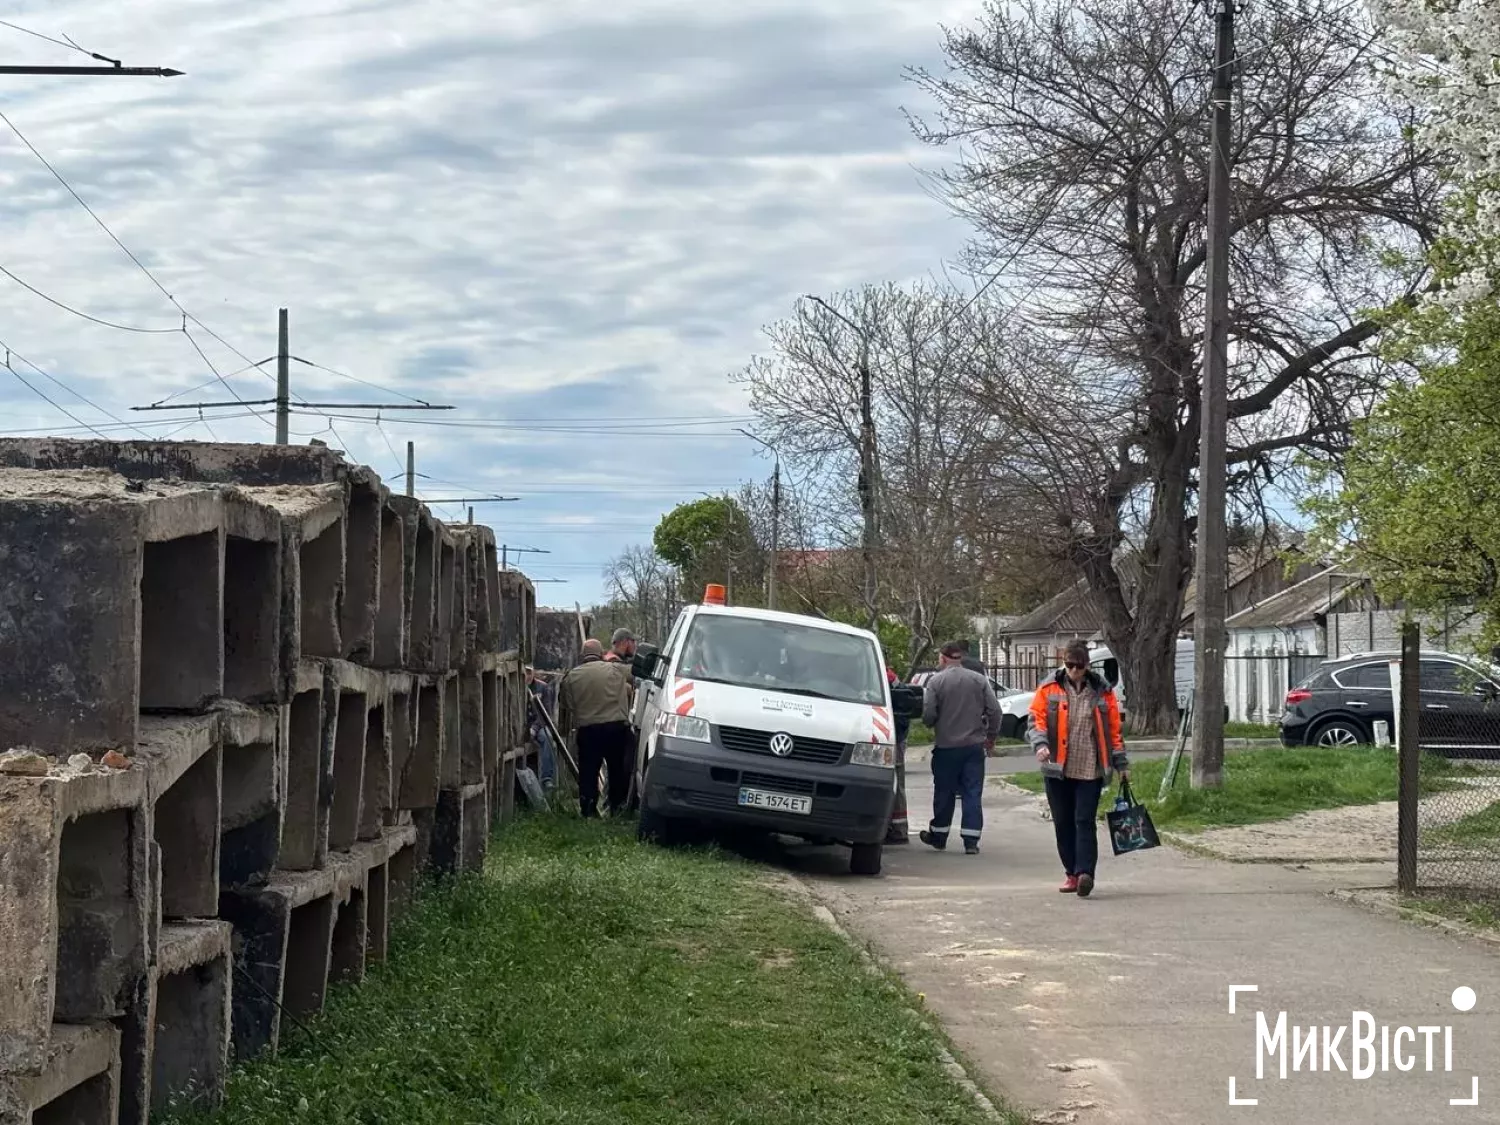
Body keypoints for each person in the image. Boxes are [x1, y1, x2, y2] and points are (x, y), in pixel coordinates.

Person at [1028, 638, 1129, 898]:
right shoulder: (1049, 688)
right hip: (1057, 767)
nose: (1074, 670)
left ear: (1087, 666)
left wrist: (1121, 763)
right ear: (1064, 663)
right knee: (1063, 823)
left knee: (1084, 820)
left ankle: (1085, 873)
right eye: (1069, 664)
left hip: (1090, 767)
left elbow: (1113, 731)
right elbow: (1036, 720)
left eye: (1079, 665)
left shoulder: (1102, 691)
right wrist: (1040, 744)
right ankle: (1071, 873)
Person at [919, 641, 1001, 855]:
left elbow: (929, 714)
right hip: (974, 746)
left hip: (946, 747)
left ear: (943, 658)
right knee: (972, 792)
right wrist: (991, 737)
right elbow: (995, 711)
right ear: (960, 658)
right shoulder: (978, 680)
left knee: (944, 792)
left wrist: (931, 723)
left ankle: (939, 836)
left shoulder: (936, 681)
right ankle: (971, 841)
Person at [558, 638, 634, 817]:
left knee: (588, 771)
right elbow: (635, 676)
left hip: (588, 730)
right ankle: (616, 807)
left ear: (582, 655)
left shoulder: (571, 677)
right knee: (616, 769)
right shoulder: (616, 669)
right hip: (616, 728)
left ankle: (588, 809)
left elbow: (566, 703)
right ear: (601, 653)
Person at [885, 667, 910, 845]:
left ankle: (898, 830)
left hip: (893, 736)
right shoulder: (890, 677)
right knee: (895, 782)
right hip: (893, 734)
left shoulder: (886, 677)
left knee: (895, 781)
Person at [525, 665, 557, 791]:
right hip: (522, 726)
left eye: (529, 672)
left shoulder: (543, 687)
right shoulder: (516, 686)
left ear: (533, 672)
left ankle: (547, 778)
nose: (527, 676)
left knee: (547, 736)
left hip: (539, 724)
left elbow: (546, 713)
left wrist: (534, 728)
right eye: (524, 672)